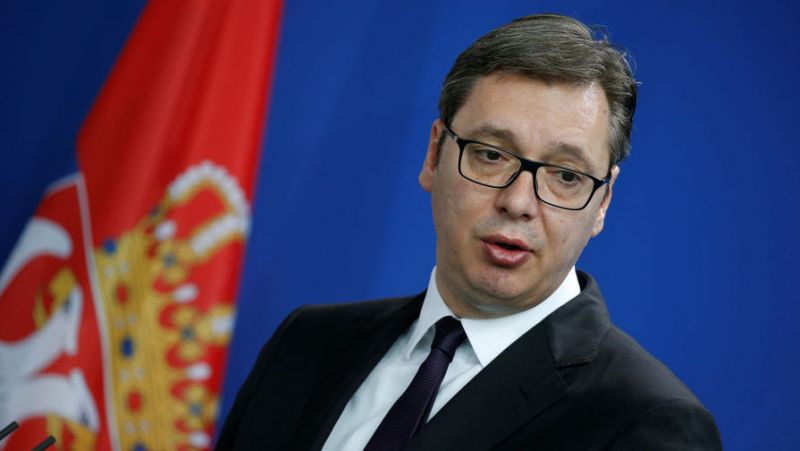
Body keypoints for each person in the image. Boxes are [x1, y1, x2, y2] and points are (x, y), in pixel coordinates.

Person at [216, 13, 722, 450]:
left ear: (603, 202)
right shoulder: (305, 343)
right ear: (434, 154)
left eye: (566, 176)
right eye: (491, 155)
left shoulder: (648, 422)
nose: (518, 203)